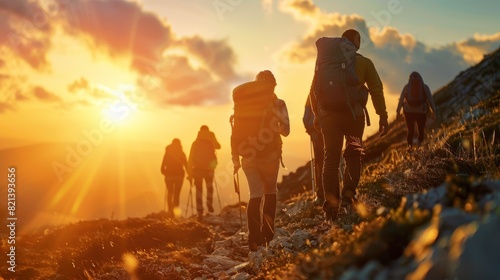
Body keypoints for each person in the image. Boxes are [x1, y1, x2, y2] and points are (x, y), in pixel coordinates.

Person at [309, 29, 389, 222]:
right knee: (353, 155)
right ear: (356, 41)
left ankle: (331, 207)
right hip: (354, 117)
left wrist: (318, 117)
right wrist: (382, 115)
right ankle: (348, 196)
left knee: (331, 158)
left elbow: (313, 91)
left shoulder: (325, 62)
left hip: (328, 117)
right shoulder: (363, 62)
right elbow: (377, 89)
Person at [232, 70, 290, 251]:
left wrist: (235, 159)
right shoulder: (278, 103)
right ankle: (268, 234)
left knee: (255, 195)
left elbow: (235, 133)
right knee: (270, 192)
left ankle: (254, 239)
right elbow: (286, 131)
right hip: (270, 156)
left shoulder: (244, 104)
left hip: (248, 157)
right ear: (272, 85)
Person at [188, 125, 221, 221]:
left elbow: (190, 159)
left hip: (197, 169)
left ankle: (200, 212)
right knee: (209, 186)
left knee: (199, 190)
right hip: (209, 169)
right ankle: (209, 203)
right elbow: (218, 146)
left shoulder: (195, 142)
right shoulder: (210, 139)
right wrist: (212, 137)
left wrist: (190, 175)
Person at [396, 71, 436, 149]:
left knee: (410, 131)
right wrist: (434, 111)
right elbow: (430, 100)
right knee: (421, 130)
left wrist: (398, 112)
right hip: (421, 112)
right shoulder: (424, 87)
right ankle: (419, 146)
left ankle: (410, 148)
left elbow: (401, 100)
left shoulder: (407, 87)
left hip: (409, 112)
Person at [303, 96, 324, 205]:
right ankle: (334, 192)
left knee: (319, 162)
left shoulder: (312, 93)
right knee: (332, 160)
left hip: (315, 131)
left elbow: (306, 117)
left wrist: (309, 129)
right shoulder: (334, 88)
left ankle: (320, 193)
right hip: (331, 129)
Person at [160, 138, 188, 218]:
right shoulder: (182, 153)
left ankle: (170, 211)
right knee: (176, 194)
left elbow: (162, 167)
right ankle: (175, 211)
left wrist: (166, 173)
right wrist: (190, 175)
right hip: (179, 176)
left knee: (170, 193)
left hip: (169, 176)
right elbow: (186, 165)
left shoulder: (167, 153)